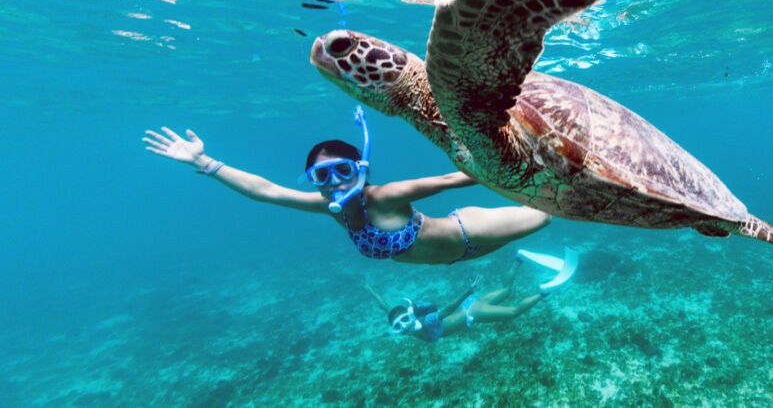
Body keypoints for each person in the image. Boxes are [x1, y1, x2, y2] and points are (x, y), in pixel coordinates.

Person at [142, 108, 551, 264]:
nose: (334, 183)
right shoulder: (329, 208)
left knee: (547, 214)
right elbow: (266, 190)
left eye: (341, 170)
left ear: (361, 168)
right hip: (459, 258)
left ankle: (555, 160)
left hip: (469, 231)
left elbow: (450, 179)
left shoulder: (385, 196)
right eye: (321, 176)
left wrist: (518, 161)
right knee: (528, 230)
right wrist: (205, 163)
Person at [369, 258, 551, 343]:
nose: (403, 326)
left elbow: (447, 310)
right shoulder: (401, 327)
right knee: (506, 291)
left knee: (512, 312)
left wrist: (468, 291)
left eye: (404, 321)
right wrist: (369, 289)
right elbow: (385, 306)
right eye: (398, 326)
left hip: (471, 311)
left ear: (410, 315)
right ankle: (517, 259)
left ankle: (544, 292)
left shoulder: (426, 321)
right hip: (468, 305)